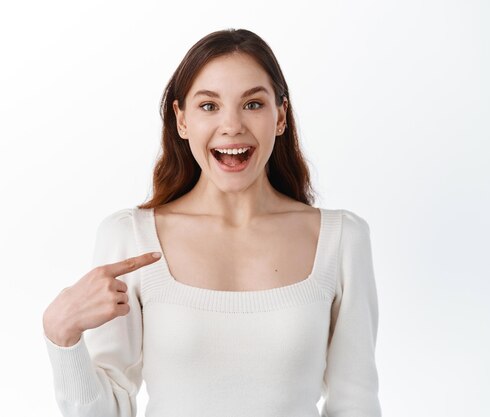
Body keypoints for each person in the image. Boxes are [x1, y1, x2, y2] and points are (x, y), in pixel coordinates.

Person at [42, 28, 382, 417]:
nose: (232, 125)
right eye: (209, 106)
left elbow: (356, 404)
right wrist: (60, 335)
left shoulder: (341, 240)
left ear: (281, 116)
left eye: (253, 104)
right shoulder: (131, 238)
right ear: (181, 119)